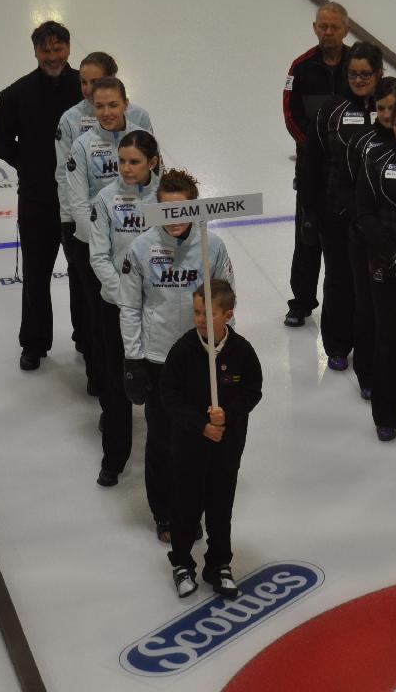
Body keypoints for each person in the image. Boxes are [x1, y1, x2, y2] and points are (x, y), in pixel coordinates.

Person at [119, 170, 235, 542]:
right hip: (158, 360)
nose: (174, 218)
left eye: (181, 210)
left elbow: (226, 302)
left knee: (199, 440)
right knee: (162, 441)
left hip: (201, 359)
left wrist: (224, 348)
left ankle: (193, 508)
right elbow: (130, 307)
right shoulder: (140, 248)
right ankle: (165, 514)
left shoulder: (213, 246)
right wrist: (134, 359)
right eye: (166, 210)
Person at [0, 21, 81, 371]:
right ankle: (34, 343)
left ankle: (87, 339)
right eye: (46, 50)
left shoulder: (85, 89)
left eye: (58, 49)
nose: (53, 56)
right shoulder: (16, 95)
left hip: (79, 203)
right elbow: (0, 142)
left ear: (68, 48)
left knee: (83, 275)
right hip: (37, 201)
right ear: (35, 52)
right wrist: (29, 165)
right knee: (36, 275)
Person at [162, 281, 263, 598]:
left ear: (227, 315)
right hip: (189, 447)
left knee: (221, 508)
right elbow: (170, 396)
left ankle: (219, 564)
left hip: (226, 448)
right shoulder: (182, 351)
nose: (200, 320)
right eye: (196, 312)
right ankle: (181, 562)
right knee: (185, 507)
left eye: (208, 314)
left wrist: (228, 415)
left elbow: (253, 391)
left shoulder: (242, 352)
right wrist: (201, 425)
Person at [58, 52, 153, 367]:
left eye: (113, 105)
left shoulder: (142, 132)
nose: (107, 112)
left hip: (136, 239)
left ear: (126, 104)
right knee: (100, 318)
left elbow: (156, 187)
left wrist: (148, 235)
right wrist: (98, 241)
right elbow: (77, 200)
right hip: (95, 242)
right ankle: (100, 379)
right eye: (100, 106)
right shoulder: (82, 144)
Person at [301, 41, 383, 387]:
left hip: (378, 219)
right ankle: (336, 343)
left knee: (373, 285)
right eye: (353, 74)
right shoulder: (331, 110)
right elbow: (311, 161)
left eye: (366, 74)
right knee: (339, 279)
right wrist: (310, 209)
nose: (359, 80)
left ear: (379, 74)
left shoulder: (389, 108)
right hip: (336, 213)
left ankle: (371, 349)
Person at [89, 130, 161, 486]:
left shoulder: (168, 197)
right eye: (121, 161)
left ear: (153, 162)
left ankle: (164, 463)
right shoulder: (105, 199)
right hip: (116, 307)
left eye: (134, 162)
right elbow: (99, 257)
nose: (126, 168)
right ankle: (113, 459)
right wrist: (126, 297)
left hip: (160, 308)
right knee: (116, 385)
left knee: (161, 388)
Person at [355, 88, 396, 442]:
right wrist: (389, 251)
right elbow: (364, 212)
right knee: (387, 339)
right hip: (384, 266)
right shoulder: (376, 158)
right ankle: (386, 415)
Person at [283, 2, 351, 328]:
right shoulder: (300, 68)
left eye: (334, 27)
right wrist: (315, 152)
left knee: (346, 244)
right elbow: (290, 115)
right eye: (322, 26)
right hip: (311, 171)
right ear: (314, 28)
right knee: (307, 239)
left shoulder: (359, 65)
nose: (328, 32)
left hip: (350, 173)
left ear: (346, 30)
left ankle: (348, 304)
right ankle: (301, 302)